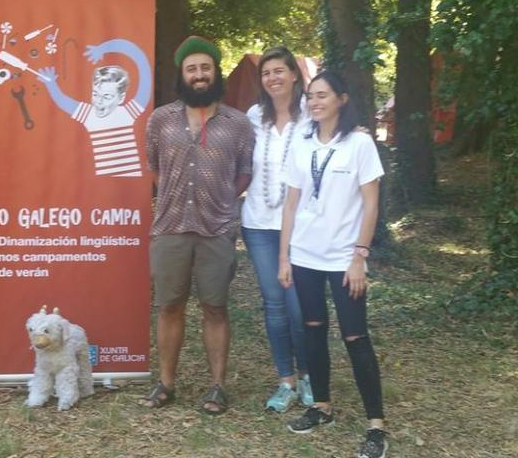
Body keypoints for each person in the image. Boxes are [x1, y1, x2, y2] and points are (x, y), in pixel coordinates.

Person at [140, 35, 255, 415]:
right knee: (169, 306)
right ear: (182, 74)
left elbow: (243, 174)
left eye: (206, 67)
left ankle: (217, 386)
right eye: (192, 69)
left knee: (215, 308)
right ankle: (167, 382)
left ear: (216, 72)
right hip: (170, 227)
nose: (199, 74)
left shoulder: (238, 124)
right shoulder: (160, 120)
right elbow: (154, 169)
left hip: (216, 229)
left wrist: (218, 200)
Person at [277, 71, 387, 458]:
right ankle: (321, 405)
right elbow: (291, 202)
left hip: (344, 258)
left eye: (322, 95)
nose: (314, 101)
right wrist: (284, 256)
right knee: (313, 330)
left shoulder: (359, 143)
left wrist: (360, 255)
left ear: (341, 98)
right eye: (309, 96)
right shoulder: (302, 143)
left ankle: (376, 425)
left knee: (355, 337)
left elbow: (371, 203)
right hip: (305, 254)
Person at [241, 46, 313, 412]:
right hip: (258, 224)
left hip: (302, 226)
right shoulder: (254, 117)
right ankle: (285, 380)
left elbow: (339, 142)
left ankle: (309, 375)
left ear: (295, 75)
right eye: (267, 72)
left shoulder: (312, 117)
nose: (273, 78)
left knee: (300, 306)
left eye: (279, 71)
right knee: (274, 304)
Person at [37, 38, 152, 177]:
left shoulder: (128, 112)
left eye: (107, 96)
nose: (99, 101)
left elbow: (142, 65)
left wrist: (103, 48)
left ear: (121, 98)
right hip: (103, 182)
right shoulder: (89, 114)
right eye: (96, 94)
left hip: (129, 184)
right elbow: (63, 101)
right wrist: (51, 84)